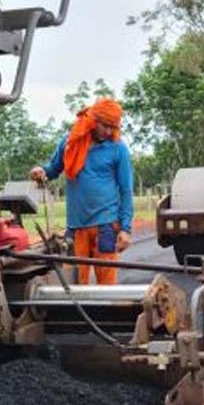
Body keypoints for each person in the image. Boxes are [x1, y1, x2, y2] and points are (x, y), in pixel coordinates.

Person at [30, 100, 133, 285]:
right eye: (105, 126)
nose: (109, 132)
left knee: (107, 285)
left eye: (113, 127)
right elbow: (53, 169)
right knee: (74, 285)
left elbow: (126, 190)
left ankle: (107, 315)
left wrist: (125, 229)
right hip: (76, 227)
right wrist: (41, 172)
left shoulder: (118, 148)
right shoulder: (70, 142)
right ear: (93, 120)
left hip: (106, 226)